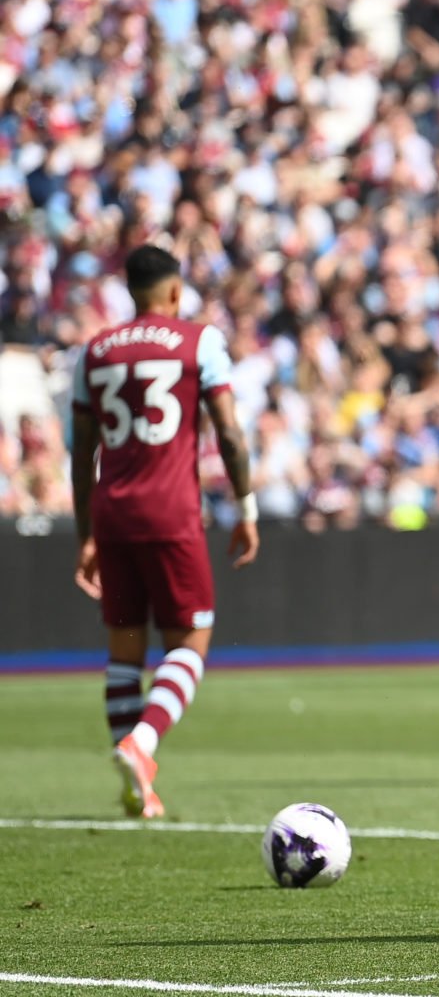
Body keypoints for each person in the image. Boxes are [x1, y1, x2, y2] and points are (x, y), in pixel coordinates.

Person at [70, 244, 260, 819]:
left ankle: (137, 785)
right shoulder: (199, 342)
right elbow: (228, 432)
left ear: (131, 292)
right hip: (172, 512)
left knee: (124, 648)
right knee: (190, 643)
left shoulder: (95, 350)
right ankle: (141, 745)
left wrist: (86, 533)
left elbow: (81, 452)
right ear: (175, 292)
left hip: (112, 512)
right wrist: (246, 506)